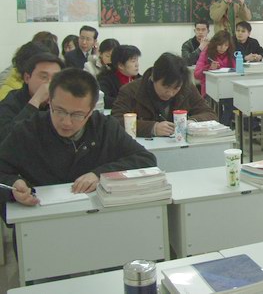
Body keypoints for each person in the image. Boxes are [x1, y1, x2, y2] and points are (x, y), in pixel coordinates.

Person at [0, 68, 157, 205]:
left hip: (94, 212)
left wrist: (100, 174)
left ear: (91, 111)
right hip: (41, 213)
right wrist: (13, 185)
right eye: (59, 111)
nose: (66, 122)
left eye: (77, 115)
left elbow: (145, 159)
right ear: (50, 102)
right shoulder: (28, 130)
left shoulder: (104, 127)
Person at [112, 53, 216, 137]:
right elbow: (115, 121)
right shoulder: (131, 91)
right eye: (166, 87)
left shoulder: (187, 88)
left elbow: (209, 113)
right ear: (153, 77)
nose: (170, 93)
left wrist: (191, 122)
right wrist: (152, 128)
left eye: (176, 88)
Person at [0, 52, 64, 136]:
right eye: (44, 77)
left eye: (55, 78)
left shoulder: (63, 100)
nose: (50, 83)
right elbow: (5, 137)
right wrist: (36, 100)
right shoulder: (12, 101)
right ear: (27, 78)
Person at [97, 45, 142, 109]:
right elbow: (104, 99)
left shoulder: (140, 79)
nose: (137, 65)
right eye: (133, 61)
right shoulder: (106, 79)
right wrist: (131, 102)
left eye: (137, 60)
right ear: (120, 65)